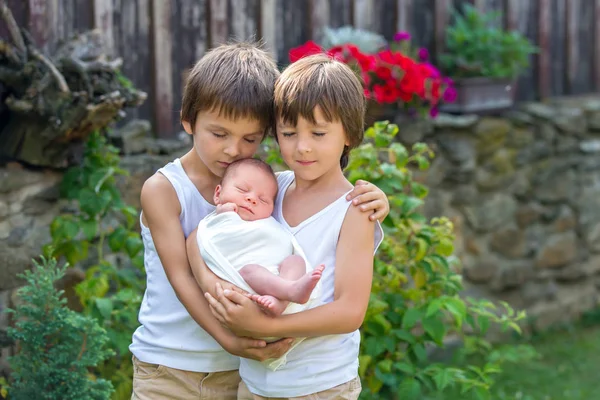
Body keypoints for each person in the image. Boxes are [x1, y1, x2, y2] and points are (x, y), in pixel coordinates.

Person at [130, 42, 389, 400]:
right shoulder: (173, 190)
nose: (233, 150)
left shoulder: (270, 189)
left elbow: (327, 203)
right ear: (188, 120)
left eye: (250, 139)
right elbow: (183, 271)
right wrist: (232, 337)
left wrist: (377, 199)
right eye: (219, 134)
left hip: (250, 372)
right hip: (175, 362)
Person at [199, 158, 324, 320]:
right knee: (250, 270)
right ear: (218, 194)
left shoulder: (266, 223)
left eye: (263, 200)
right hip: (247, 281)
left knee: (295, 261)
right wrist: (225, 213)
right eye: (242, 190)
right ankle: (289, 291)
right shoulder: (219, 219)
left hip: (278, 277)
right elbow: (218, 237)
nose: (252, 199)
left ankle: (283, 299)